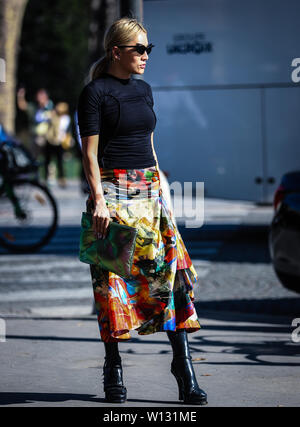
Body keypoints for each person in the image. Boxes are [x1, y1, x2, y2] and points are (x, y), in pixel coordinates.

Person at [77, 17, 207, 405]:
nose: (146, 56)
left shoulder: (146, 90)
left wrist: (163, 194)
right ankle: (113, 367)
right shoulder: (94, 94)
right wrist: (98, 201)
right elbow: (88, 154)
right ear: (116, 51)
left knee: (172, 277)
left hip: (150, 194)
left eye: (149, 48)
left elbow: (149, 146)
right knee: (111, 285)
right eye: (139, 49)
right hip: (112, 195)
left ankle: (183, 367)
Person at [17, 87, 54, 160]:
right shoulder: (34, 107)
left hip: (47, 137)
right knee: (33, 156)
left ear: (46, 97)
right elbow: (22, 106)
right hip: (34, 136)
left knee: (48, 158)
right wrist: (20, 96)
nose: (40, 98)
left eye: (41, 96)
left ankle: (49, 169)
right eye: (38, 96)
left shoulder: (50, 106)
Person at [45, 102, 71, 188]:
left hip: (59, 142)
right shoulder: (54, 117)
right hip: (51, 141)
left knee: (59, 162)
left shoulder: (65, 118)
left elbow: (62, 129)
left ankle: (61, 179)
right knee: (49, 160)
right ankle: (48, 178)